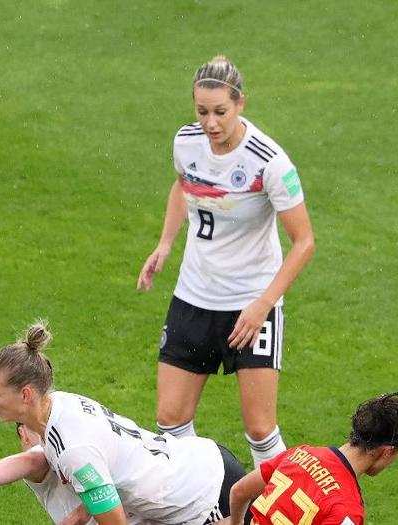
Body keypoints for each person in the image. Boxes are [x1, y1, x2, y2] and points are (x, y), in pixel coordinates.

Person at [137, 54, 316, 467]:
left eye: (220, 112)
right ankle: (197, 505)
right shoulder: (187, 141)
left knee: (259, 428)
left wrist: (262, 305)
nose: (211, 123)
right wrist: (165, 243)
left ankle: (281, 509)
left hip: (250, 303)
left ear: (240, 105)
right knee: (171, 419)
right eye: (202, 112)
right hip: (194, 296)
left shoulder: (268, 161)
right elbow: (183, 186)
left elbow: (304, 241)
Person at [0, 321, 248, 524]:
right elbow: (32, 460)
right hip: (200, 462)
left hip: (206, 497)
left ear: (25, 394)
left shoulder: (73, 449)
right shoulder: (60, 408)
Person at [227, 388, 398, 525]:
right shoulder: (346, 509)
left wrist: (236, 523)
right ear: (388, 451)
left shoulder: (301, 454)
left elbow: (238, 491)